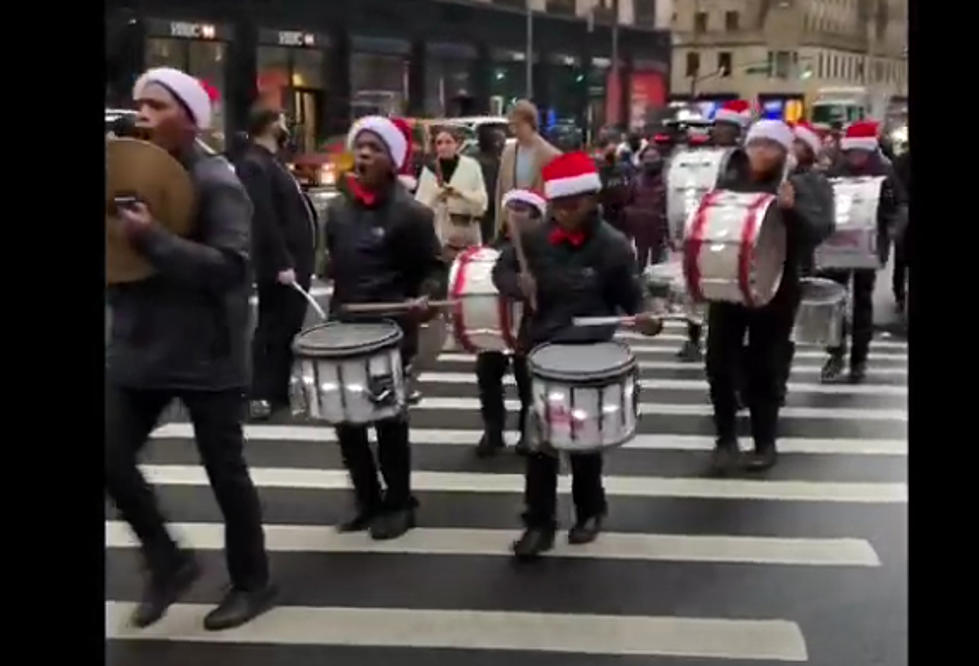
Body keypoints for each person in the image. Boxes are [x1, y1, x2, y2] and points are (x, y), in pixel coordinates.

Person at [105, 67, 275, 631]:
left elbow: (231, 268)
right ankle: (167, 560)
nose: (143, 117)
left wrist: (151, 238)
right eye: (140, 106)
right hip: (141, 346)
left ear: (189, 117)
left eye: (157, 106)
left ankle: (253, 582)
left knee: (225, 473)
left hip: (209, 350)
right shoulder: (126, 172)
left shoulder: (216, 180)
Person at [492, 152, 664, 560]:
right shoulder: (531, 237)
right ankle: (539, 522)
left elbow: (632, 295)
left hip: (589, 354)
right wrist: (518, 283)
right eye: (559, 206)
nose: (566, 213)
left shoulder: (613, 245)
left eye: (575, 204)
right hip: (541, 348)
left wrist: (646, 316)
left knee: (584, 441)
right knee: (538, 442)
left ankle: (590, 510)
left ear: (591, 200)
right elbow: (500, 272)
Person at [324, 115, 446, 539]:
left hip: (390, 331)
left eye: (374, 148)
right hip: (345, 328)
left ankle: (399, 502)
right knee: (347, 421)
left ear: (392, 160)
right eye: (360, 146)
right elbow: (332, 263)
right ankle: (366, 499)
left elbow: (433, 269)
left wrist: (425, 298)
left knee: (388, 419)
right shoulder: (338, 209)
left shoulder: (412, 214)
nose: (363, 154)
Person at [706, 120, 834, 473]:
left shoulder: (805, 184)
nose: (761, 151)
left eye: (770, 145)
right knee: (718, 362)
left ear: (784, 151)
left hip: (777, 287)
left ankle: (764, 442)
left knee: (765, 365)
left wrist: (793, 211)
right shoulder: (731, 179)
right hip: (729, 284)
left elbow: (820, 231)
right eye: (756, 144)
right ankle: (725, 438)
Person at [235, 108, 317, 421]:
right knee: (273, 328)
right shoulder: (254, 165)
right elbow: (263, 217)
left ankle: (278, 390)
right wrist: (281, 261)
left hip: (296, 259)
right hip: (283, 264)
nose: (286, 127)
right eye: (282, 120)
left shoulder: (271, 161)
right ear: (269, 125)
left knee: (287, 328)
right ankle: (260, 392)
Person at [819, 120, 905, 383]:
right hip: (837, 245)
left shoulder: (887, 172)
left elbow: (900, 206)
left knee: (862, 302)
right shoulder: (836, 171)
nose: (855, 157)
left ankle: (859, 360)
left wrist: (890, 231)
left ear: (869, 151)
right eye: (852, 152)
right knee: (834, 301)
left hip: (868, 246)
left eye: (860, 152)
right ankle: (835, 353)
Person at [675, 99, 752, 364]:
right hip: (701, 228)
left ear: (736, 130)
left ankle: (732, 346)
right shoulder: (702, 157)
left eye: (723, 126)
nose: (717, 130)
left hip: (726, 232)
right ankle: (693, 337)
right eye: (716, 125)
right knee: (694, 286)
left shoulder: (742, 160)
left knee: (724, 292)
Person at [475, 188, 546, 458]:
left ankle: (527, 431)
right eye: (511, 208)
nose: (515, 214)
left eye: (522, 209)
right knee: (487, 374)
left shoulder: (542, 247)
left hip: (528, 327)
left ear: (536, 216)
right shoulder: (495, 247)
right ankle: (493, 429)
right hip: (494, 326)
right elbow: (496, 274)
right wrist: (516, 286)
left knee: (526, 380)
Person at [415, 126, 488, 256]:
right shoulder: (430, 170)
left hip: (469, 230)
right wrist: (437, 195)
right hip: (443, 230)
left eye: (448, 142)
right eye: (439, 143)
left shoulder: (471, 166)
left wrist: (461, 194)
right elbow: (420, 205)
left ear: (457, 144)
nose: (443, 147)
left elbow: (482, 200)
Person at [494, 100, 562, 233]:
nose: (514, 130)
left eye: (518, 125)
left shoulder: (551, 155)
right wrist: (499, 226)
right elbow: (500, 191)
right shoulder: (508, 152)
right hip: (510, 227)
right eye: (511, 126)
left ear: (530, 123)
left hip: (538, 228)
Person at [625, 147, 668, 274]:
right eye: (648, 161)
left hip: (658, 228)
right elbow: (628, 202)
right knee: (641, 258)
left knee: (658, 261)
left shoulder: (666, 181)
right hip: (641, 227)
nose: (651, 164)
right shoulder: (636, 181)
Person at [474, 125, 505, 246]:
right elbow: (492, 191)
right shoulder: (492, 163)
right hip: (487, 211)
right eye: (501, 142)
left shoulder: (473, 159)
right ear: (496, 144)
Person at [597, 137, 634, 237]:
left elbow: (631, 186)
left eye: (614, 153)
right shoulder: (598, 170)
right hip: (605, 214)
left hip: (620, 214)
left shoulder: (623, 169)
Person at [891, 144, 910, 313]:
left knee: (901, 257)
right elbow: (896, 183)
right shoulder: (902, 160)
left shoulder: (901, 159)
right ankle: (899, 294)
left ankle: (899, 294)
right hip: (905, 208)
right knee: (901, 256)